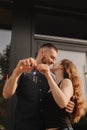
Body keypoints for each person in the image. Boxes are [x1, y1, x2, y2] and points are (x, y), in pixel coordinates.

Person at [2, 43, 75, 130]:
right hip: (24, 126)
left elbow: (60, 100)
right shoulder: (21, 70)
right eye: (52, 57)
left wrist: (70, 105)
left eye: (55, 59)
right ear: (41, 53)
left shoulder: (53, 78)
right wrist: (17, 72)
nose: (53, 62)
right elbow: (6, 94)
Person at [36, 59, 86, 130]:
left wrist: (48, 76)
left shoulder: (66, 81)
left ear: (62, 67)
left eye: (57, 62)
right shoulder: (52, 85)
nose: (53, 63)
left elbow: (63, 103)